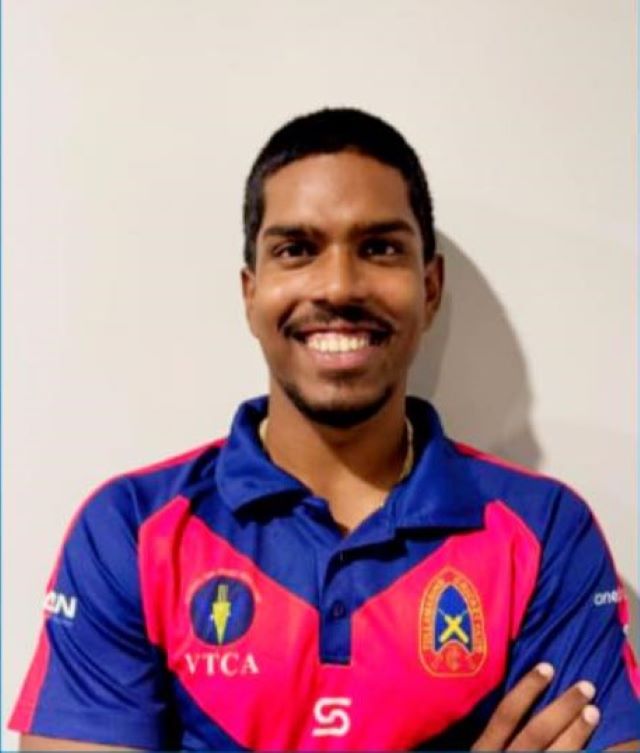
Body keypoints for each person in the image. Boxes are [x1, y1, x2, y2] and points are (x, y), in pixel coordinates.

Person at [10, 108, 640, 751]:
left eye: (379, 248)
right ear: (251, 293)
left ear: (429, 289)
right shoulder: (132, 528)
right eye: (297, 250)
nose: (339, 286)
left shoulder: (544, 532)